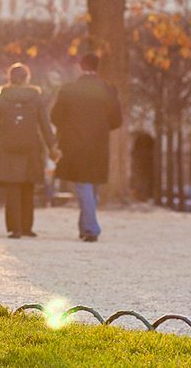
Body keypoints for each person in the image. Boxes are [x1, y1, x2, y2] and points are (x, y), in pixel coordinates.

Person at [51, 52, 122, 242]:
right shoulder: (108, 90)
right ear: (97, 67)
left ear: (80, 67)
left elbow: (55, 117)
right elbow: (117, 120)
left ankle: (90, 228)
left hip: (74, 143)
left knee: (83, 186)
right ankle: (86, 227)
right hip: (98, 143)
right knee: (91, 187)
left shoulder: (68, 90)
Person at [0, 62, 60, 238]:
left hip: (7, 148)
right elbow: (44, 124)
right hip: (31, 148)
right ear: (27, 78)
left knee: (12, 187)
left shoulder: (1, 98)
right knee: (28, 186)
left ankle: (15, 228)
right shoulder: (36, 98)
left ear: (9, 79)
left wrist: (2, 131)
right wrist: (52, 145)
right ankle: (27, 227)